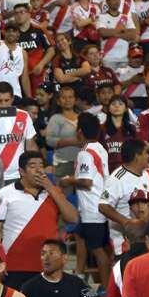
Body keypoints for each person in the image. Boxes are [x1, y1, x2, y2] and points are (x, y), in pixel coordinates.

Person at [0, 151, 80, 290]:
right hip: (15, 265)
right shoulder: (5, 193)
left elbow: (73, 218)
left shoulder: (54, 192)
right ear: (21, 171)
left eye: (41, 165)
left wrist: (50, 188)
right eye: (32, 166)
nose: (38, 170)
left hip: (48, 266)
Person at [60, 112, 111, 285]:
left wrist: (68, 180)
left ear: (79, 132)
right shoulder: (99, 147)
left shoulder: (86, 153)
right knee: (79, 236)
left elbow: (86, 181)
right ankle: (79, 276)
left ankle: (105, 289)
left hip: (92, 209)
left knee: (98, 251)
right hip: (98, 205)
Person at [99, 139, 149, 255]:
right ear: (137, 156)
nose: (148, 156)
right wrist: (126, 222)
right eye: (145, 153)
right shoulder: (117, 179)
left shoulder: (147, 174)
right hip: (124, 243)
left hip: (146, 239)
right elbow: (103, 206)